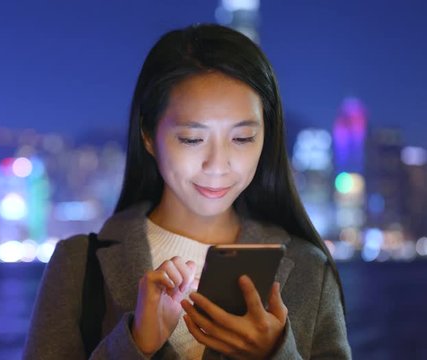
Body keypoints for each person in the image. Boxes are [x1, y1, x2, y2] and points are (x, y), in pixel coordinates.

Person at [24, 23, 351, 359]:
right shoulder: (79, 266)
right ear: (148, 135)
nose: (218, 164)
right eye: (193, 139)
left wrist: (275, 354)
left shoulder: (310, 270)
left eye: (242, 138)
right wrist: (135, 344)